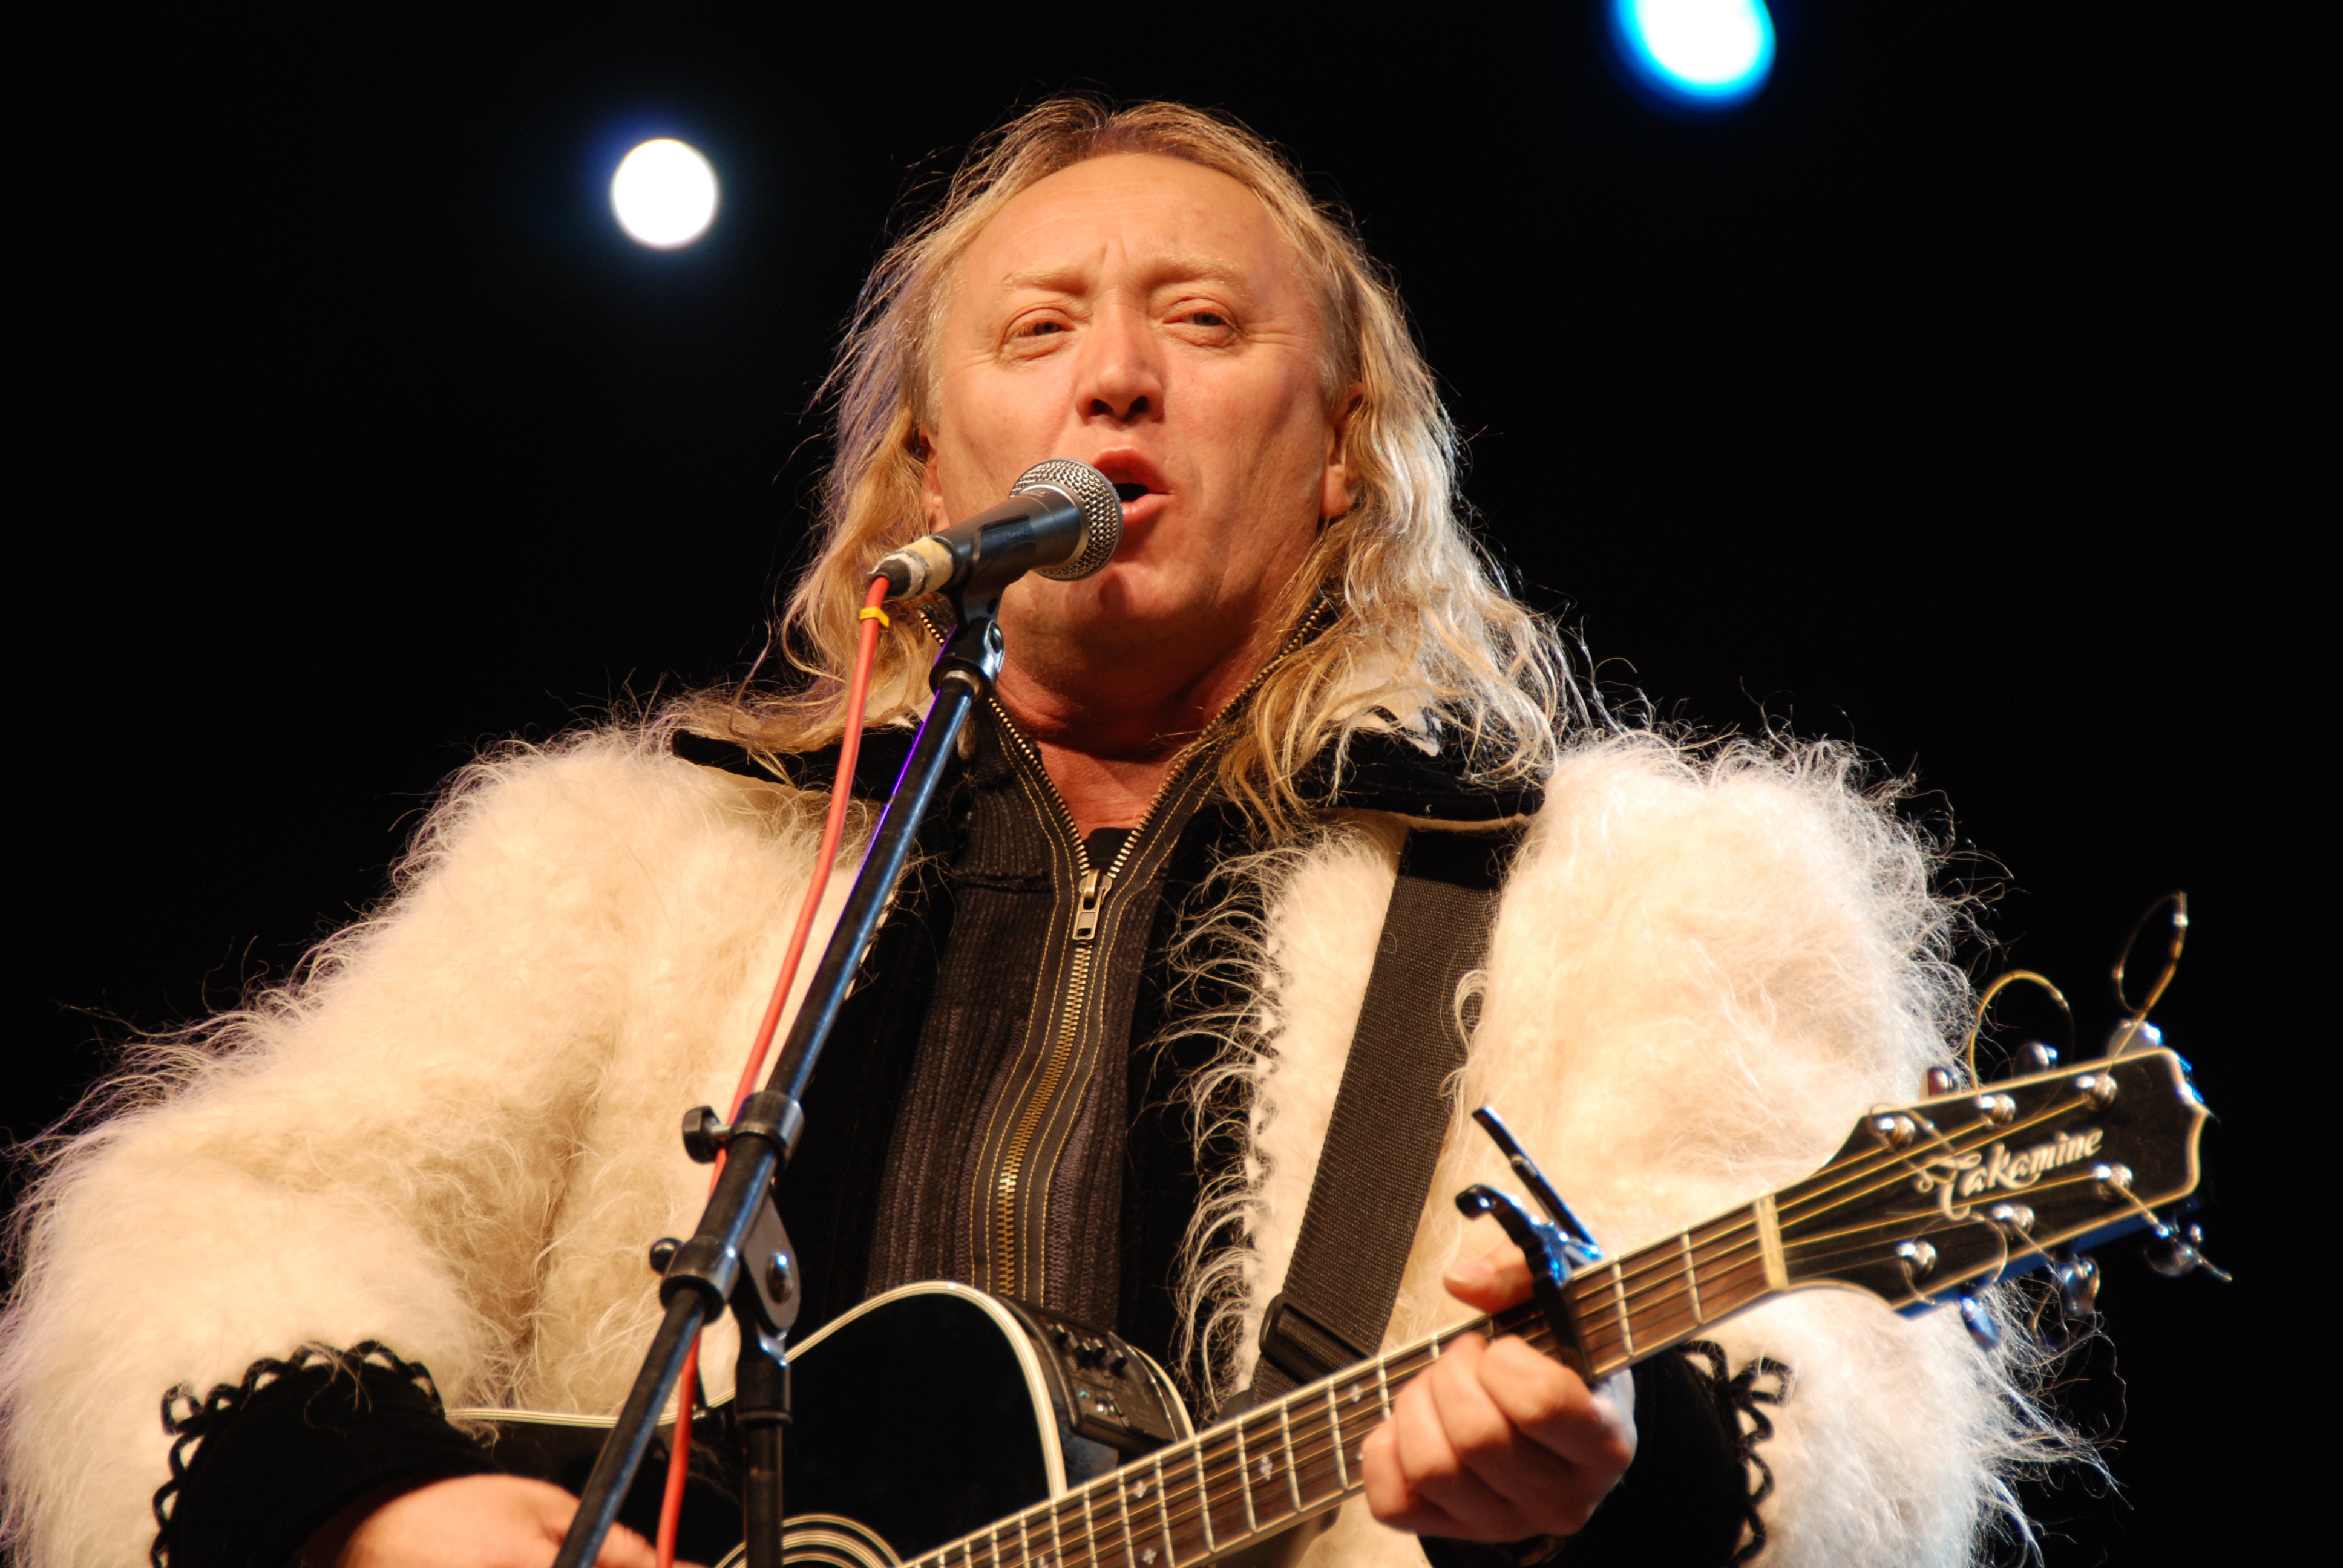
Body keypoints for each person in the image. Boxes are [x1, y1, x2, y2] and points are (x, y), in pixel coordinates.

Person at [0, 99, 2050, 1568]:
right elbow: (211, 1217)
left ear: (1345, 459)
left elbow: (1851, 1388)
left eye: (1207, 326)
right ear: (925, 467)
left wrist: (1623, 1457)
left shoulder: (1634, 898)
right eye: (1039, 329)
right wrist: (381, 1508)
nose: (1118, 382)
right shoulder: (618, 868)